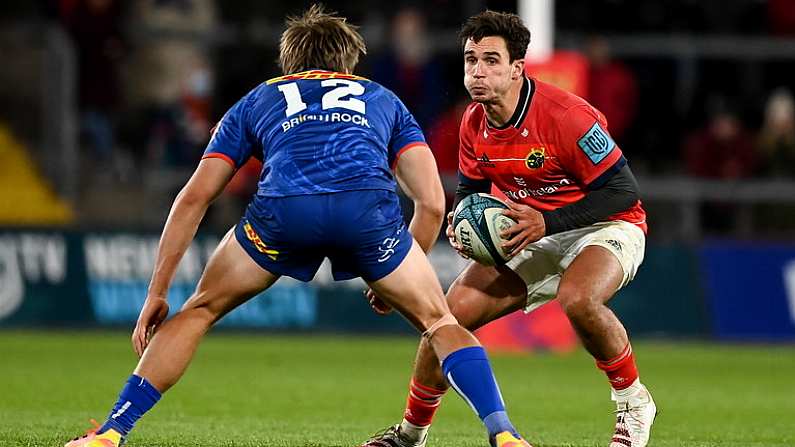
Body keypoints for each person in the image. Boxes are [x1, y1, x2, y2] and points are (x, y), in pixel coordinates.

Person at [64, 5, 531, 447]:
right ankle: (504, 433)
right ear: (347, 63)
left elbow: (194, 198)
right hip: (365, 212)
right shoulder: (382, 98)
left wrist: (157, 292)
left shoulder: (260, 98)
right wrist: (399, 262)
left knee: (200, 310)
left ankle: (111, 432)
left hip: (284, 211)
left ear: (289, 62)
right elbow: (430, 202)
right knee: (439, 322)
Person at [362, 11, 656, 447]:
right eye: (470, 60)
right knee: (444, 319)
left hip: (605, 225)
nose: (478, 71)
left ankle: (634, 403)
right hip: (530, 230)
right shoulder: (472, 122)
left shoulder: (565, 115)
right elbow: (471, 189)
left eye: (491, 60)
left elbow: (623, 192)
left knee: (578, 298)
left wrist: (547, 221)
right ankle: (409, 436)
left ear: (517, 68)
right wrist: (464, 222)